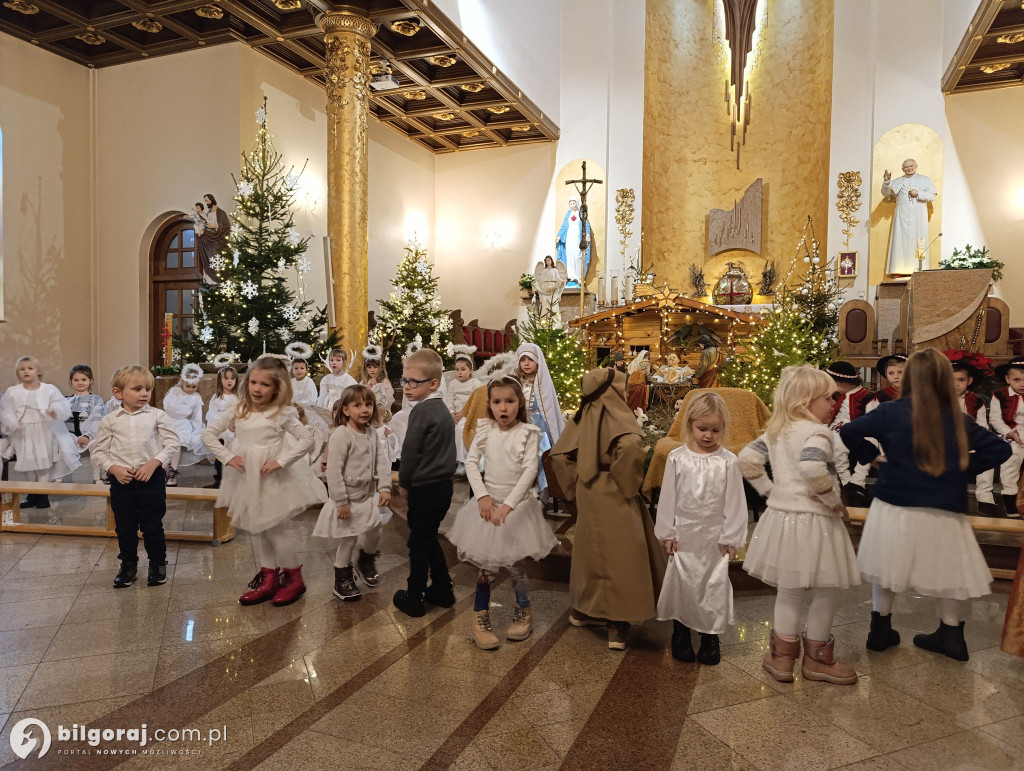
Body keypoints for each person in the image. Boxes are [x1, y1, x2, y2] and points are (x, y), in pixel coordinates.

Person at [841, 349, 1010, 661]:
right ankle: (952, 636)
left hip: (894, 504)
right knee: (950, 572)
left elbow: (850, 431)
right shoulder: (957, 419)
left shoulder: (890, 412)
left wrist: (874, 457)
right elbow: (1001, 450)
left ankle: (880, 630)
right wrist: (960, 470)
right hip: (944, 506)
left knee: (886, 567)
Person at [738, 365, 860, 685]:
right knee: (826, 590)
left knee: (789, 590)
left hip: (782, 519)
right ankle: (818, 660)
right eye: (828, 398)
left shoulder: (777, 432)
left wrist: (770, 492)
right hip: (815, 522)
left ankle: (781, 660)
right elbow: (812, 468)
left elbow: (747, 460)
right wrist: (834, 502)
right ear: (805, 402)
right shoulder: (817, 433)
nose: (834, 403)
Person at [550, 367, 666, 650]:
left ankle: (584, 610)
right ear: (613, 391)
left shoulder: (584, 413)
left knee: (591, 550)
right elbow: (630, 446)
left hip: (589, 491)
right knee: (621, 555)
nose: (625, 393)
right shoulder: (619, 415)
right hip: (615, 491)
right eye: (622, 388)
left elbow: (559, 455)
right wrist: (627, 485)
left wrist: (577, 485)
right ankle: (617, 623)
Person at [201, 356, 327, 606]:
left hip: (273, 480)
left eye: (265, 384)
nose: (257, 388)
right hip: (248, 479)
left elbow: (306, 439)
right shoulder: (239, 410)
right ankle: (269, 578)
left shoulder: (280, 413)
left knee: (276, 530)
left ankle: (294, 579)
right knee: (263, 530)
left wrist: (281, 461)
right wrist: (228, 457)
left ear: (277, 388)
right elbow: (209, 434)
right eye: (253, 382)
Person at [447, 376, 558, 648]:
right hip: (488, 507)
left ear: (519, 402)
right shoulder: (486, 429)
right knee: (486, 566)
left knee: (516, 565)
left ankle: (524, 611)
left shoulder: (529, 433)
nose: (503, 408)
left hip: (517, 509)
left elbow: (530, 471)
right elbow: (472, 464)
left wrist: (508, 506)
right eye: (496, 402)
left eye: (509, 401)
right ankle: (479, 617)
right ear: (490, 404)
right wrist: (483, 496)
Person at [656, 391, 748, 665]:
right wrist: (667, 533)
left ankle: (710, 634)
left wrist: (731, 536)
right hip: (685, 534)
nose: (708, 435)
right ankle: (681, 631)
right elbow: (668, 499)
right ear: (690, 425)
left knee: (713, 584)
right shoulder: (677, 458)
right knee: (683, 582)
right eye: (702, 428)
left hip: (714, 537)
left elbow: (735, 501)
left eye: (715, 430)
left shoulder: (728, 461)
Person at [91, 366, 179, 588]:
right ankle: (128, 564)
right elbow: (99, 451)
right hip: (123, 481)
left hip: (151, 479)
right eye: (137, 389)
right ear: (118, 393)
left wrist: (155, 462)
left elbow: (172, 443)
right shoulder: (110, 420)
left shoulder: (157, 416)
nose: (144, 394)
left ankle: (158, 563)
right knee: (125, 527)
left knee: (152, 525)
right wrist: (113, 469)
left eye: (148, 389)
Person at [392, 348, 458, 617]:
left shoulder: (420, 412)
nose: (406, 387)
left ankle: (415, 596)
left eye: (413, 382)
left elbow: (409, 454)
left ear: (433, 383)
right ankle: (442, 589)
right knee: (427, 537)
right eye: (404, 380)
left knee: (417, 544)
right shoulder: (442, 409)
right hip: (443, 486)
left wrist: (404, 484)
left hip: (424, 487)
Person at [313, 385, 392, 602]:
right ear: (346, 410)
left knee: (376, 529)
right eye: (357, 405)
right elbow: (334, 470)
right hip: (347, 498)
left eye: (368, 404)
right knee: (348, 539)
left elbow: (381, 461)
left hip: (367, 496)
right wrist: (340, 502)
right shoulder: (342, 434)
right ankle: (342, 579)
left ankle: (366, 559)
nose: (364, 409)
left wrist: (384, 486)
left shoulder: (372, 434)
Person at [1, 356, 80, 509]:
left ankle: (43, 495)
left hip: (44, 431)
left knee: (43, 463)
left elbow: (60, 404)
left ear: (38, 371)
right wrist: (13, 423)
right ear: (18, 373)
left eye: (30, 368)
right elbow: (7, 411)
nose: (26, 371)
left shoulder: (48, 389)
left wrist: (54, 411)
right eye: (22, 369)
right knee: (28, 464)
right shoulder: (13, 392)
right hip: (24, 433)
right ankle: (32, 494)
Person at [947, 354, 998, 516]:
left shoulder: (976, 400)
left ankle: (985, 496)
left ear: (969, 381)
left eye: (961, 380)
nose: (955, 384)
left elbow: (982, 425)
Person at [516, 343, 564, 498]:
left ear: (537, 361)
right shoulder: (516, 382)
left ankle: (539, 493)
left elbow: (549, 410)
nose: (526, 363)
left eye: (530, 359)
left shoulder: (543, 384)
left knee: (538, 451)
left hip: (540, 429)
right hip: (519, 426)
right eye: (522, 360)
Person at [824, 361, 876, 505]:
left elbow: (871, 427)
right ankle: (846, 482)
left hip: (856, 433)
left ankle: (856, 481)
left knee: (843, 444)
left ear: (843, 382)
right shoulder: (835, 395)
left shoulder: (866, 397)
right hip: (832, 431)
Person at [881, 159, 936, 276]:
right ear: (902, 169)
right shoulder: (897, 181)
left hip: (919, 214)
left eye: (911, 166)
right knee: (899, 239)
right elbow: (886, 193)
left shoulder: (924, 180)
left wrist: (919, 193)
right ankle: (898, 269)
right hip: (901, 215)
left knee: (918, 239)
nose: (909, 168)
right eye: (906, 167)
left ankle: (920, 268)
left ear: (916, 166)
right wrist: (886, 181)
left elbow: (932, 196)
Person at [988, 356, 1024, 517]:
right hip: (1011, 433)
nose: (1022, 384)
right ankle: (1010, 503)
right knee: (1011, 460)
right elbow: (995, 419)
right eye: (1017, 379)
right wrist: (1008, 432)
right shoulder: (1000, 395)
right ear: (1007, 379)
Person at [161, 370, 207, 487]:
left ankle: (173, 472)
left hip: (183, 424)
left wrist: (198, 431)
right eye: (188, 386)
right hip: (168, 421)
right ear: (182, 382)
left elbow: (197, 415)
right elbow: (168, 407)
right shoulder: (174, 391)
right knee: (163, 444)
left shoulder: (196, 397)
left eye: (194, 387)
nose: (191, 389)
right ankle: (163, 468)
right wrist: (185, 411)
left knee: (177, 443)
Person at [65, 364, 107, 483]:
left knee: (96, 446)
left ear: (91, 380)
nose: (80, 383)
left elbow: (97, 418)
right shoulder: (66, 401)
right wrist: (73, 436)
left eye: (84, 379)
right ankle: (58, 477)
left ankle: (96, 476)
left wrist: (88, 435)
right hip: (71, 435)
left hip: (90, 435)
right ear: (71, 381)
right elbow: (63, 420)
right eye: (76, 380)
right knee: (60, 443)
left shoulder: (96, 399)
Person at [204, 366, 239, 489]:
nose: (229, 381)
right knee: (220, 458)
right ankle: (219, 480)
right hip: (221, 432)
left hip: (234, 432)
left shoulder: (238, 397)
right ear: (220, 380)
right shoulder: (217, 398)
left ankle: (232, 482)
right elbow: (213, 415)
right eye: (226, 378)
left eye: (232, 379)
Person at [444, 346, 478, 473]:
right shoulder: (453, 383)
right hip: (454, 415)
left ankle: (462, 461)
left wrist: (463, 414)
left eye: (463, 369)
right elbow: (449, 400)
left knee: (460, 430)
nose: (459, 372)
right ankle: (447, 460)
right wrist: (452, 414)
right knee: (445, 428)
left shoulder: (475, 383)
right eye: (457, 369)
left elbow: (476, 402)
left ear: (471, 370)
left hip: (469, 415)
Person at [555, 198, 592, 286]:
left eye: (573, 203)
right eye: (570, 203)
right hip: (569, 238)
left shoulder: (581, 214)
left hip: (577, 238)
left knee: (577, 256)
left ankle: (579, 277)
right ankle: (571, 276)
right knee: (569, 256)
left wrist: (587, 234)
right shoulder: (568, 214)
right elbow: (564, 226)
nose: (572, 205)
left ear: (577, 203)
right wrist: (559, 236)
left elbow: (585, 224)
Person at [195, 193, 230, 279]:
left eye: (207, 200)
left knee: (216, 259)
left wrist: (214, 226)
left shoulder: (221, 213)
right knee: (209, 259)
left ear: (212, 200)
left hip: (217, 240)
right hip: (207, 240)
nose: (206, 203)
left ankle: (218, 278)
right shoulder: (207, 214)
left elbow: (226, 226)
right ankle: (210, 280)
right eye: (205, 201)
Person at [360, 344, 395, 420]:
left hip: (381, 415)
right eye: (369, 367)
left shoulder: (384, 381)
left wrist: (377, 388)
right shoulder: (363, 382)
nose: (372, 370)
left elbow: (389, 399)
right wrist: (367, 389)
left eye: (375, 367)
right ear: (365, 368)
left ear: (380, 368)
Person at [534, 255, 568, 320]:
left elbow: (558, 279)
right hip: (545, 288)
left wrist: (562, 282)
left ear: (551, 261)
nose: (548, 262)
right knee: (545, 304)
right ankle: (544, 321)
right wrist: (535, 284)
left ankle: (554, 321)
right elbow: (541, 280)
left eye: (549, 260)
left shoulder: (555, 270)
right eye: (547, 260)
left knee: (553, 304)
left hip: (553, 287)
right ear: (545, 262)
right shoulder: (544, 270)